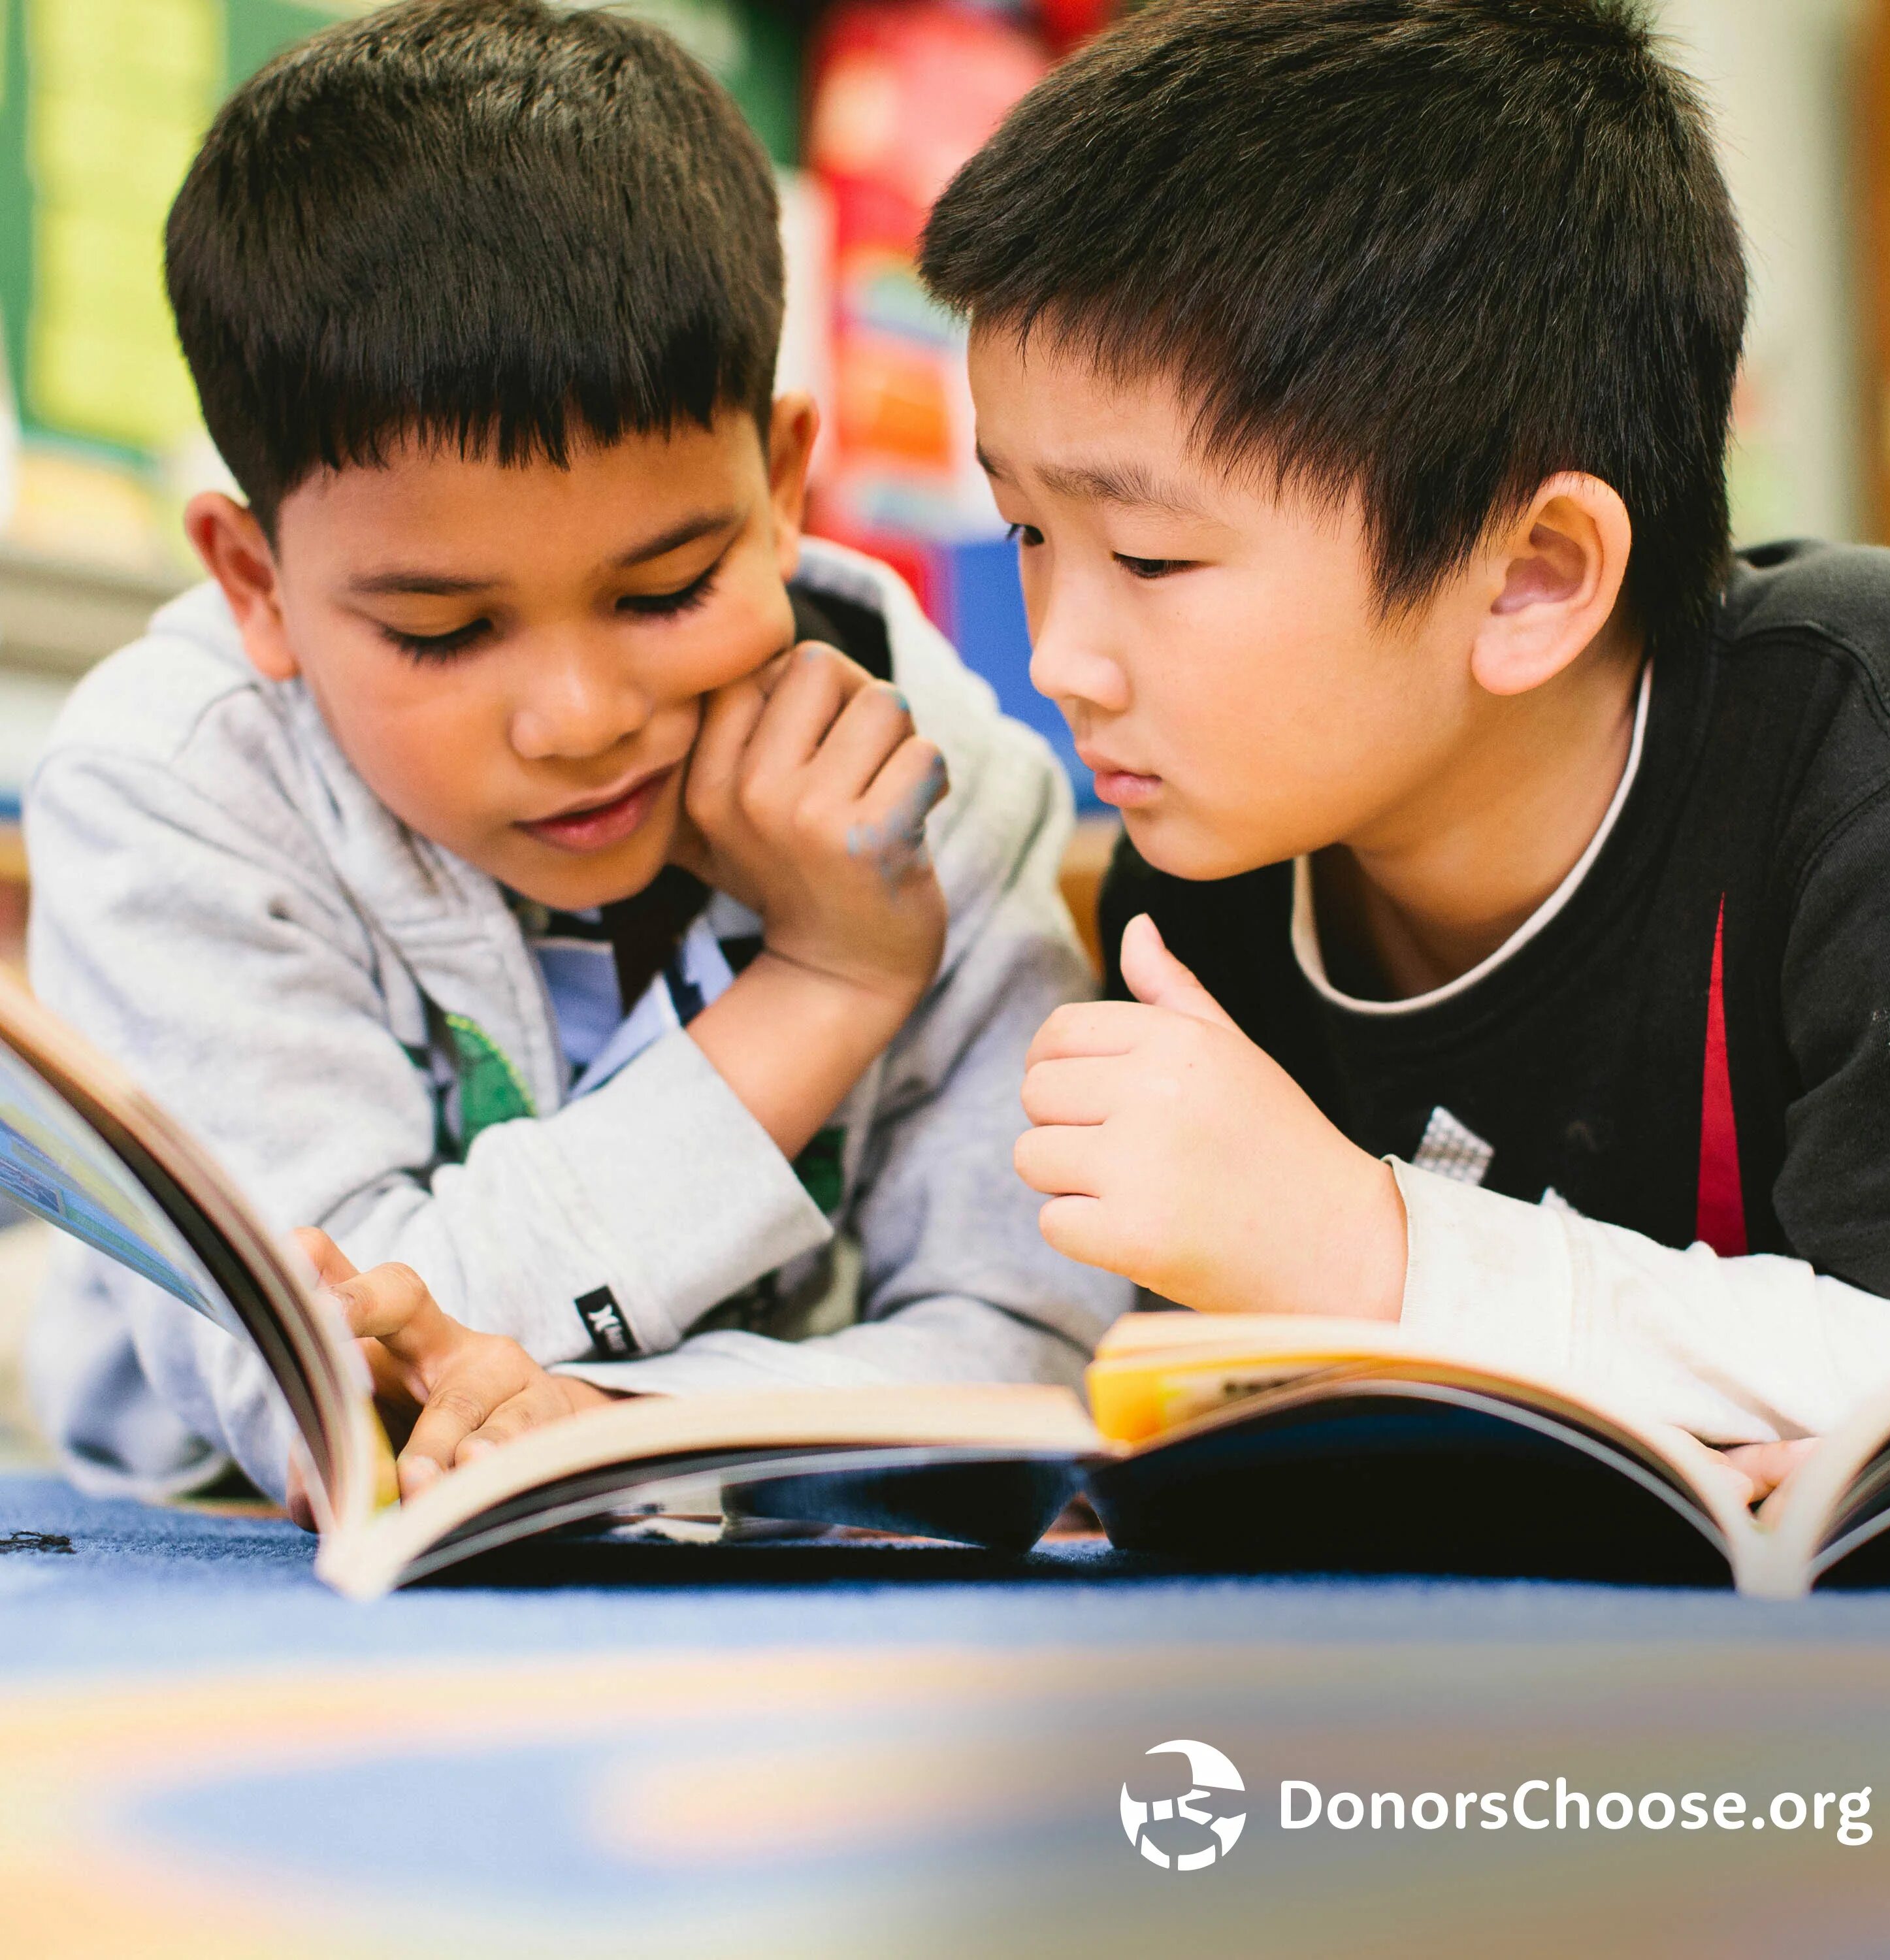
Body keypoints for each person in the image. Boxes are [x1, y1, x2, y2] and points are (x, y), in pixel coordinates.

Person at [25, 0, 1125, 1511]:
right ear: (257, 584)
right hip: (201, 1561)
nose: (578, 718)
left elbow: (1040, 1355)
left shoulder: (932, 783)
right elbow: (319, 1388)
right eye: (444, 630)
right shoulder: (176, 790)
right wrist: (823, 991)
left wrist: (612, 1420)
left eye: (667, 590)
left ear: (786, 486)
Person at [919, 0, 1890, 1494]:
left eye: (1146, 559)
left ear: (1531, 575)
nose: (1059, 659)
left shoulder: (1876, 740)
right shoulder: (1207, 880)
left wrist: (1364, 1247)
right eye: (1027, 531)